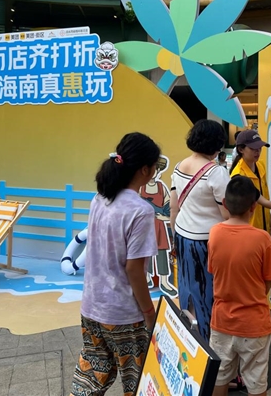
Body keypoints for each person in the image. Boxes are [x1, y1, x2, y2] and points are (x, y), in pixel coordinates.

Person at [70, 132, 161, 396]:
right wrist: (149, 312)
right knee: (138, 381)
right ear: (145, 169)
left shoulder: (100, 198)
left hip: (92, 306)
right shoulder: (141, 211)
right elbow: (134, 269)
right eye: (154, 166)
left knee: (91, 375)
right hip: (124, 313)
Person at [208, 176, 271, 396]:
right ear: (254, 207)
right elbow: (268, 281)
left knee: (219, 377)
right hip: (254, 324)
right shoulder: (263, 239)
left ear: (225, 203)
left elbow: (214, 271)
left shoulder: (215, 233)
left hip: (222, 322)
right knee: (256, 383)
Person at [169, 119, 230, 341]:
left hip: (183, 235)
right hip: (208, 241)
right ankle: (208, 342)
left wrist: (175, 236)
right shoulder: (216, 173)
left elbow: (173, 207)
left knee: (187, 288)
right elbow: (227, 214)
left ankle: (190, 336)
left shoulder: (179, 166)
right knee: (209, 293)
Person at [139, 155, 177, 297]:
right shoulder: (141, 187)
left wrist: (163, 217)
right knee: (146, 253)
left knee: (161, 254)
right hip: (145, 226)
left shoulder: (161, 188)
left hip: (159, 226)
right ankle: (147, 277)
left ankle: (164, 282)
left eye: (156, 169)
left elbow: (169, 208)